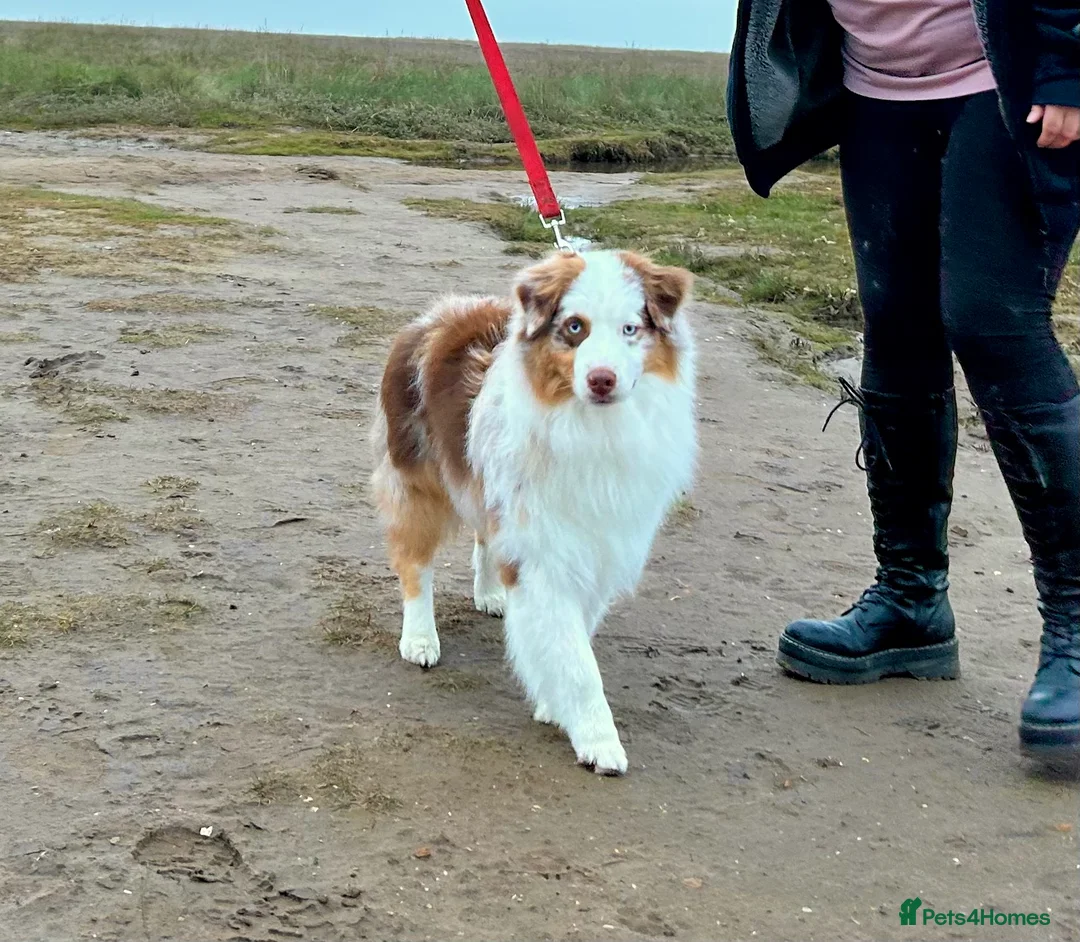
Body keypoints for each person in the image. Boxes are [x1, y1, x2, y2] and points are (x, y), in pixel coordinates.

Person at [727, 0, 1080, 756]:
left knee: (994, 326)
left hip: (1003, 76)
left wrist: (1068, 62)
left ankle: (1077, 625)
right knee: (896, 333)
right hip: (877, 90)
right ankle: (912, 602)